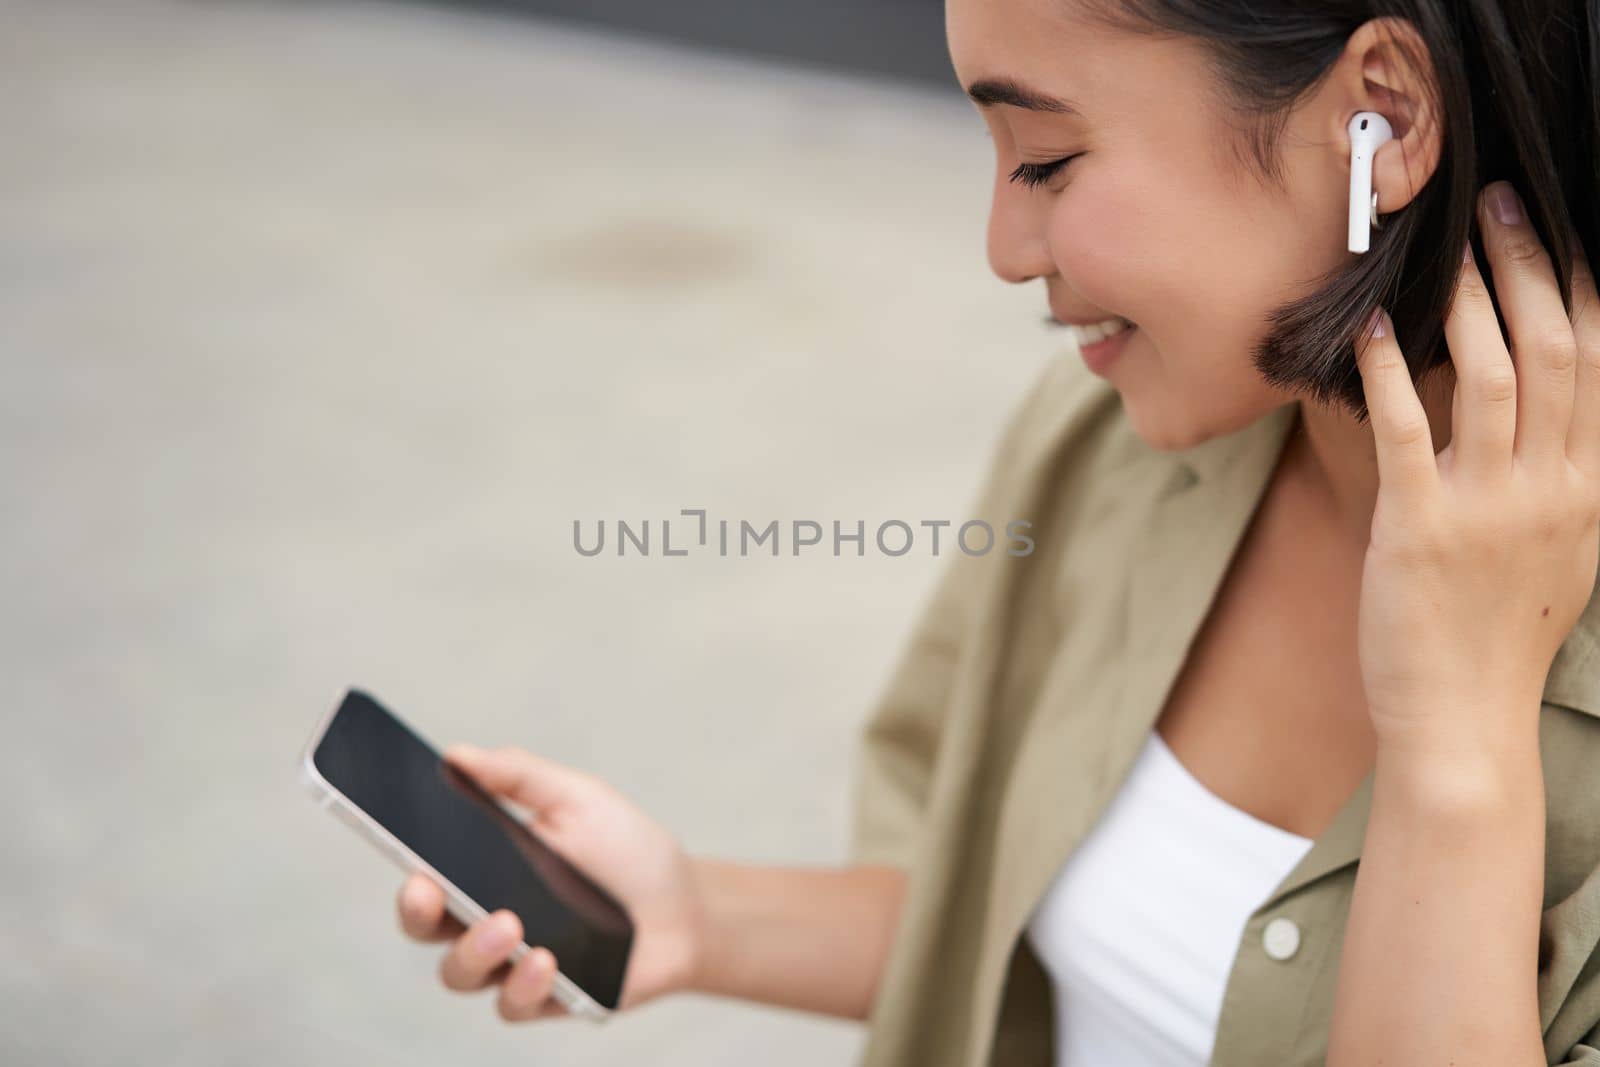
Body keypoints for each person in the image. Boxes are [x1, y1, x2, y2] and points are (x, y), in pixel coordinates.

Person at [393, 0, 1600, 1063]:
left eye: (1046, 159)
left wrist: (1458, 742)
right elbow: (995, 931)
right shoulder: (1105, 442)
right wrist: (692, 913)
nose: (1002, 249)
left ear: (1378, 116)